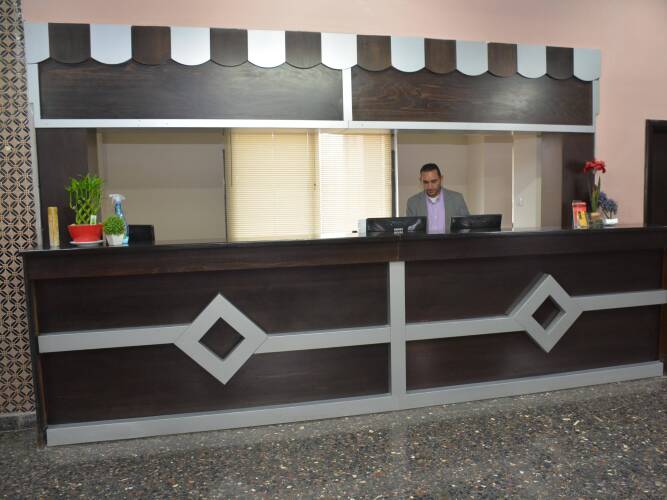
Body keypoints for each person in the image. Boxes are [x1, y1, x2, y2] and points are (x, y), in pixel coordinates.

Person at [406, 163, 469, 233]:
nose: (430, 187)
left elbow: (467, 227)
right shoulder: (412, 203)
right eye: (426, 182)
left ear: (441, 179)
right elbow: (410, 232)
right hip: (423, 240)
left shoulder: (457, 199)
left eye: (434, 181)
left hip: (451, 240)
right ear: (420, 180)